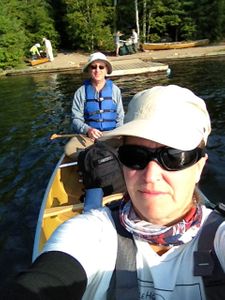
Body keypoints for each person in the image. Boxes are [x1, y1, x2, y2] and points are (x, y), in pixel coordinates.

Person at [3, 85, 225, 300]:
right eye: (134, 155)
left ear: (199, 167)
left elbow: (119, 115)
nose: (150, 176)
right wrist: (88, 130)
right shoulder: (90, 234)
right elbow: (46, 280)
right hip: (95, 136)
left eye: (174, 157)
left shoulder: (219, 238)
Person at [71, 52, 124, 141]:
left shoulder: (115, 90)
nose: (97, 70)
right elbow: (76, 119)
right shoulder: (80, 92)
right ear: (89, 70)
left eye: (101, 67)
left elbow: (120, 117)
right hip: (89, 137)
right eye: (93, 67)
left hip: (112, 135)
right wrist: (88, 130)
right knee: (70, 149)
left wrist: (118, 134)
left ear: (106, 70)